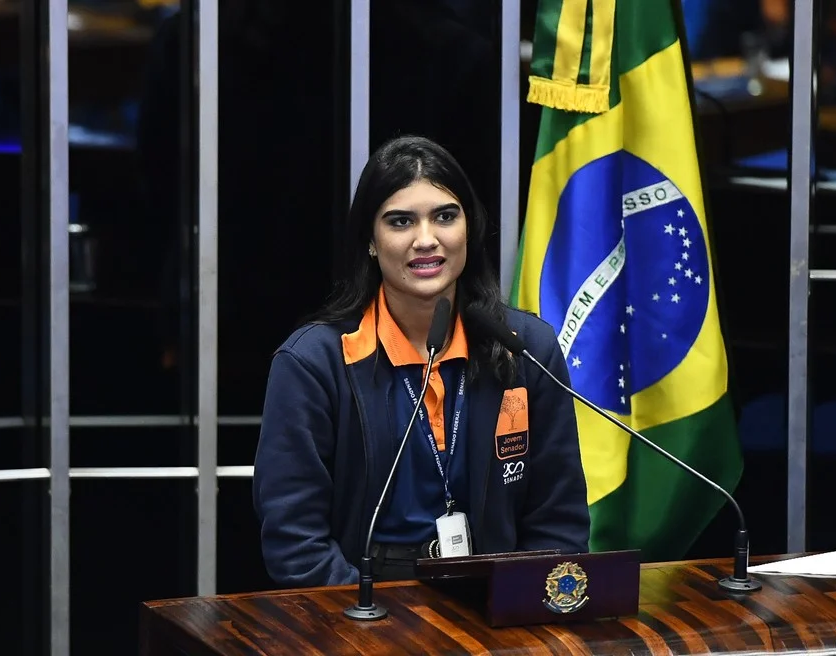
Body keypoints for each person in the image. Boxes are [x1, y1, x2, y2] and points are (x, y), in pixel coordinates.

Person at [252, 136, 590, 589]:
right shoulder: (314, 363)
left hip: (496, 603)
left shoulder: (525, 348)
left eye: (445, 217)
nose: (426, 240)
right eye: (400, 221)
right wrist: (368, 624)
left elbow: (559, 522)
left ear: (468, 227)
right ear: (370, 242)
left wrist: (517, 608)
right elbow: (295, 542)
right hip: (362, 605)